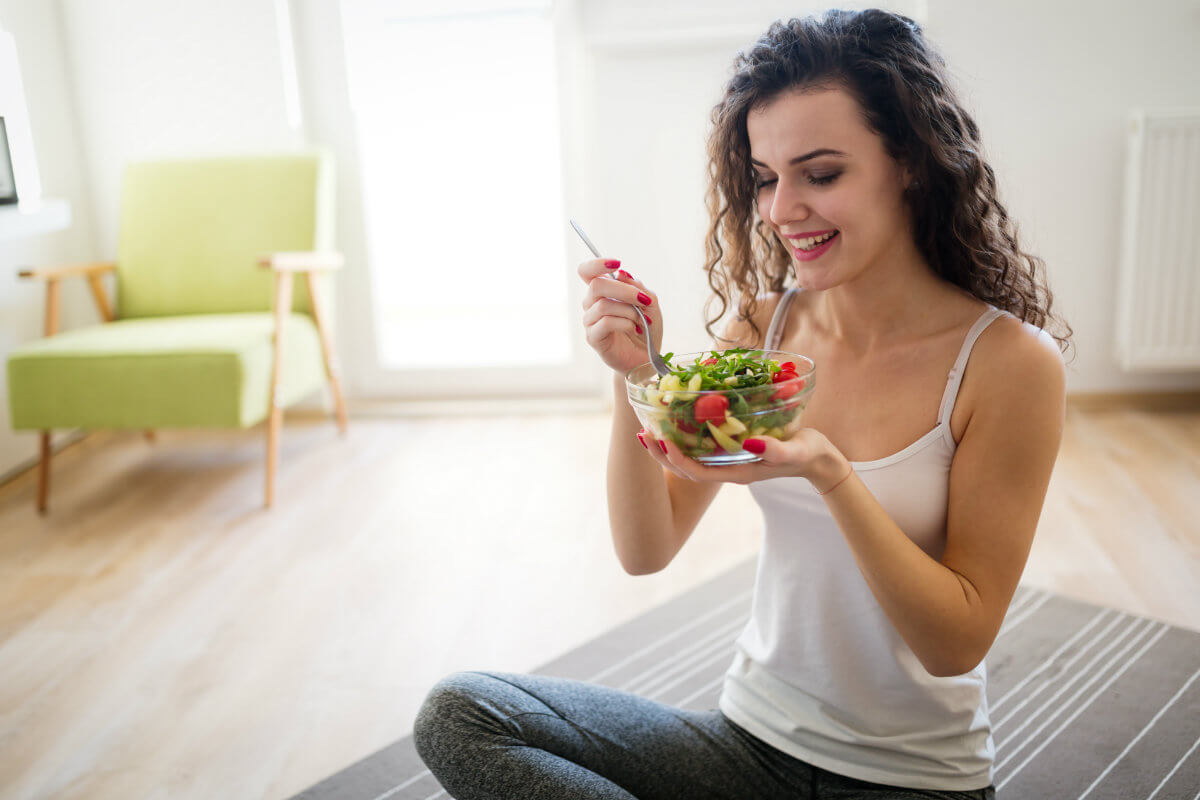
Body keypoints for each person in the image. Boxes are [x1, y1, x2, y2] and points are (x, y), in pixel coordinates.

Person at [413, 8, 1070, 798]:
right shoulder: (762, 326)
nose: (780, 209)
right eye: (765, 177)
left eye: (820, 174)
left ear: (910, 164)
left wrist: (831, 472)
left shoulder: (1007, 364)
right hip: (749, 745)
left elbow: (955, 642)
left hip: (909, 781)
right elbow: (645, 547)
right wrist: (637, 377)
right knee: (461, 714)